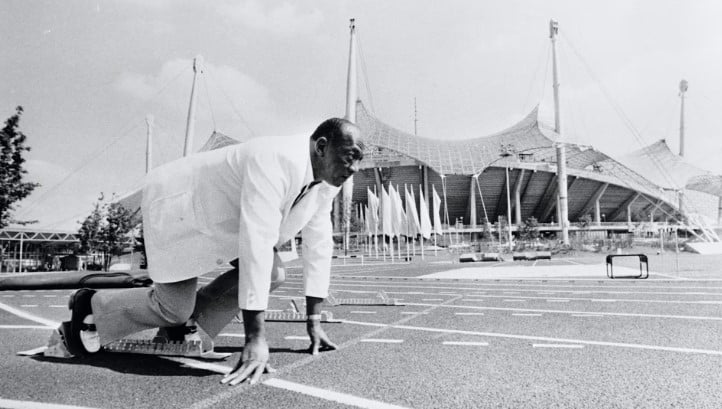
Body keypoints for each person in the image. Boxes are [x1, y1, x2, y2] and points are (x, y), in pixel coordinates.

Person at [63, 118, 364, 386]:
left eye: (359, 161)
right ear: (321, 147)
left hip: (226, 222)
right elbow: (257, 243)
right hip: (179, 207)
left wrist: (313, 320)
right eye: (350, 157)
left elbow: (319, 242)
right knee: (173, 309)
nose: (354, 169)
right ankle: (91, 304)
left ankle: (182, 331)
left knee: (274, 273)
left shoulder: (328, 181)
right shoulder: (275, 158)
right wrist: (255, 339)